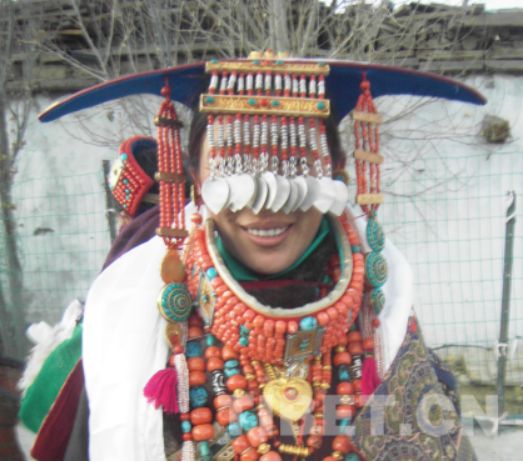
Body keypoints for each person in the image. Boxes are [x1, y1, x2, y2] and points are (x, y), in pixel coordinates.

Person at [27, 52, 486, 460]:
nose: (264, 203)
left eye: (294, 167)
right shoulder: (133, 312)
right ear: (195, 179)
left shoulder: (383, 315)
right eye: (234, 170)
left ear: (336, 174)